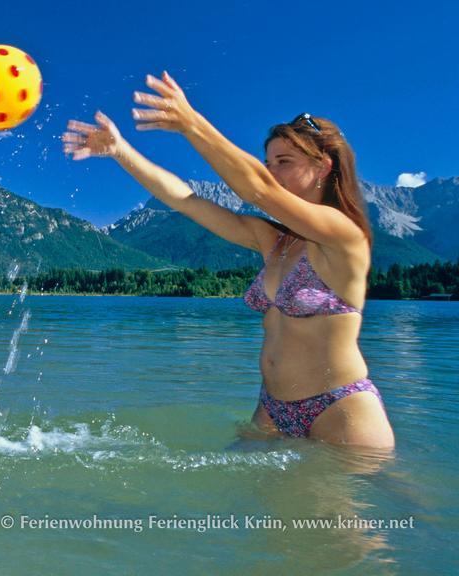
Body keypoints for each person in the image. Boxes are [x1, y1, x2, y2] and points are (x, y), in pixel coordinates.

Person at [63, 72, 394, 448]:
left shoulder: (342, 235)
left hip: (339, 410)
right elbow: (186, 201)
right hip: (271, 409)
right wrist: (121, 151)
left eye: (284, 161)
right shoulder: (274, 241)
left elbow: (259, 189)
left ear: (323, 166)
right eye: (268, 162)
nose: (273, 172)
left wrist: (191, 123)